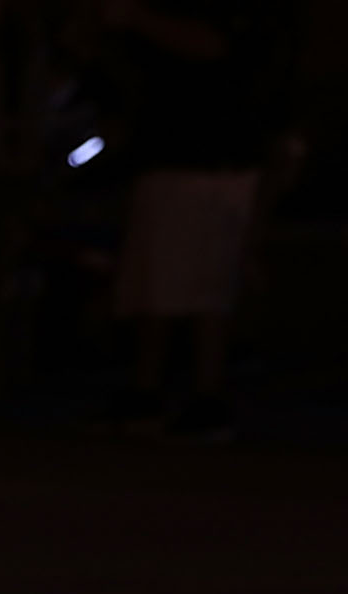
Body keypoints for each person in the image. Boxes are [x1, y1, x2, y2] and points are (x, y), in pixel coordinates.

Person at [105, 0, 289, 437]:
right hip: (170, 155)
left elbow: (214, 45)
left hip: (212, 160)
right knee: (156, 280)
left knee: (206, 281)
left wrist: (134, 17)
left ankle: (204, 394)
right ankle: (148, 393)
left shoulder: (235, 23)